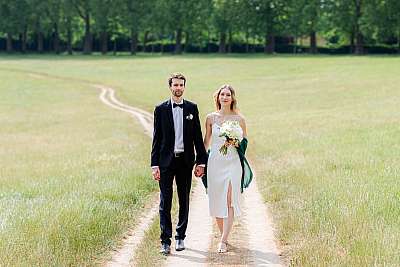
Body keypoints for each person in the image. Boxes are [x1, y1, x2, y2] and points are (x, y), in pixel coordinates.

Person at [151, 73, 207, 255]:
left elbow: (198, 137)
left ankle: (180, 236)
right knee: (165, 201)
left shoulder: (192, 108)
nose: (178, 88)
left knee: (184, 199)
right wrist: (154, 165)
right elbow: (156, 139)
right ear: (170, 87)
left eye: (181, 85)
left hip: (185, 161)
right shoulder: (160, 109)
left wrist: (201, 162)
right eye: (175, 85)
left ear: (184, 87)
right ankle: (165, 240)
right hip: (166, 162)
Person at [203, 84, 248, 253]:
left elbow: (244, 142)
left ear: (232, 98)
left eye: (228, 95)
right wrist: (200, 161)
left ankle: (222, 241)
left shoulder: (240, 119)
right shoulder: (210, 118)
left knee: (229, 199)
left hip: (233, 162)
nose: (225, 97)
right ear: (218, 97)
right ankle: (225, 236)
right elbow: (206, 142)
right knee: (216, 199)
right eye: (222, 94)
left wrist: (235, 141)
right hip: (215, 161)